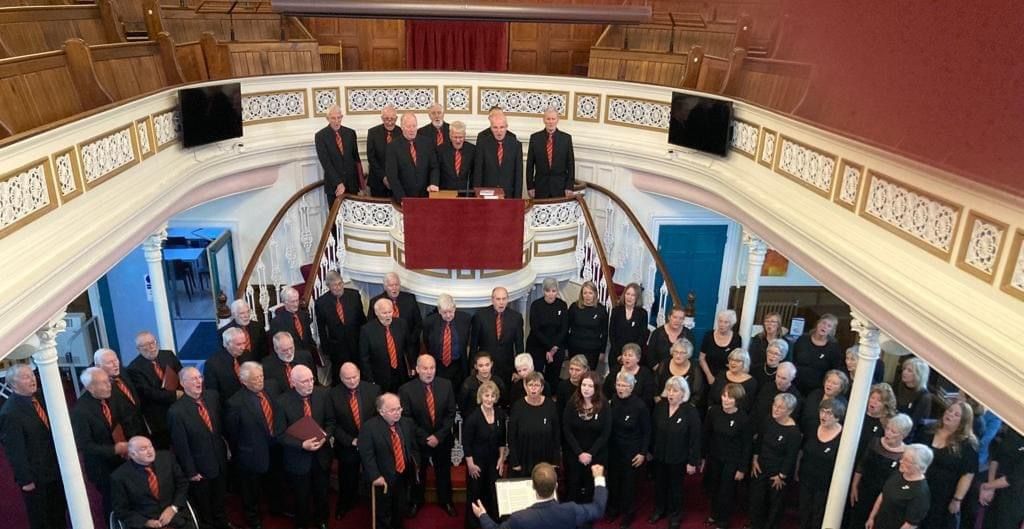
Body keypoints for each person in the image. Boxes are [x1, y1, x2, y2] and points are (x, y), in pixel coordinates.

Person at [71, 366, 144, 517]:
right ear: (90, 387)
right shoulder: (80, 411)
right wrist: (114, 450)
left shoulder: (114, 395)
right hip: (102, 466)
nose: (109, 385)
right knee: (113, 503)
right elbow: (84, 445)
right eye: (103, 383)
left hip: (126, 458)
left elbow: (127, 421)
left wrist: (131, 444)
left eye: (108, 381)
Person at [0, 365, 66, 529]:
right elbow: (15, 452)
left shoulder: (42, 397)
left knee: (59, 513)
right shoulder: (10, 413)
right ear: (13, 385)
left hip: (55, 469)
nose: (32, 379)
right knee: (42, 519)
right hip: (36, 477)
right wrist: (26, 480)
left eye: (32, 375)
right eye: (25, 377)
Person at [167, 366, 229, 529]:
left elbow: (220, 428)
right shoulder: (176, 411)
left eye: (199, 377)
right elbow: (181, 445)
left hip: (219, 459)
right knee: (204, 504)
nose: (198, 382)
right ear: (182, 383)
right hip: (199, 467)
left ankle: (222, 523)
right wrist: (191, 471)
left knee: (220, 498)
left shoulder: (212, 397)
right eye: (193, 379)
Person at [275, 365, 336, 529]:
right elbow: (279, 434)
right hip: (298, 459)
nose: (310, 384)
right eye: (304, 381)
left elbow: (331, 422)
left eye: (311, 379)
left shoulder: (323, 394)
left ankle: (322, 520)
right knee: (301, 496)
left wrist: (325, 437)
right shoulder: (282, 402)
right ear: (293, 382)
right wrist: (302, 444)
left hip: (321, 456)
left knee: (322, 493)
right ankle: (302, 523)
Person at [399, 354, 458, 517]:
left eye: (432, 368)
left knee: (443, 472)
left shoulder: (446, 385)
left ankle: (446, 501)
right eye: (425, 368)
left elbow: (451, 413)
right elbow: (407, 418)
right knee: (419, 473)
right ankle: (416, 502)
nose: (429, 372)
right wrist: (425, 437)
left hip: (442, 438)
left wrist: (438, 436)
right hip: (419, 440)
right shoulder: (406, 390)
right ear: (417, 369)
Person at [224, 362, 282, 529]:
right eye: (255, 379)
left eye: (261, 376)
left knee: (275, 481)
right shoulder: (235, 403)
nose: (260, 381)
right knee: (251, 491)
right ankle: (253, 518)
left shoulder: (272, 387)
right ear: (244, 381)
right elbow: (233, 434)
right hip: (251, 454)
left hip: (276, 446)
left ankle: (276, 509)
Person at [470, 462, 607, 529]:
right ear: (556, 486)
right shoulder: (571, 511)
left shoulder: (519, 518)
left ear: (533, 486)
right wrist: (599, 477)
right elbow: (598, 508)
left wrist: (483, 516)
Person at [358, 393, 420, 529]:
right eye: (392, 410)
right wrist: (375, 476)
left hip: (402, 476)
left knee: (400, 509)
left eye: (399, 409)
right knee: (383, 513)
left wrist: (415, 465)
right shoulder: (369, 428)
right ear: (381, 411)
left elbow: (413, 447)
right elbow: (367, 455)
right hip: (382, 479)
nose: (397, 413)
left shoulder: (406, 423)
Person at [329, 362, 381, 519]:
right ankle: (344, 504)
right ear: (340, 378)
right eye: (347, 378)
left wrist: (367, 439)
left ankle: (375, 506)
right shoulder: (333, 394)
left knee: (372, 474)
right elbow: (332, 423)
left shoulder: (373, 390)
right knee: (347, 478)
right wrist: (351, 441)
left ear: (359, 373)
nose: (352, 381)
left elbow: (379, 418)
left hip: (370, 443)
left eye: (355, 377)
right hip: (347, 444)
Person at [649, 375, 702, 529]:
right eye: (669, 390)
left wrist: (693, 462)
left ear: (683, 393)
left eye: (675, 391)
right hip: (660, 456)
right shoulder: (660, 407)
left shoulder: (690, 411)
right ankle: (660, 510)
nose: (671, 393)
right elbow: (653, 430)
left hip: (679, 458)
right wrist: (650, 451)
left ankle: (675, 515)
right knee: (659, 485)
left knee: (676, 488)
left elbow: (695, 438)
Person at [848, 414, 915, 529]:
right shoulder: (875, 442)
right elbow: (861, 465)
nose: (888, 433)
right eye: (887, 429)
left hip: (884, 498)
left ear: (903, 435)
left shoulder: (906, 454)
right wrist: (854, 486)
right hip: (864, 490)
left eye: (893, 432)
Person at [918, 401, 977, 529]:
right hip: (919, 487)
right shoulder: (928, 430)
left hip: (943, 495)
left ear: (963, 422)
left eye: (956, 414)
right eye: (949, 411)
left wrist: (957, 499)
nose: (950, 415)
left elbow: (968, 474)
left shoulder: (967, 445)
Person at [747, 392, 802, 529]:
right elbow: (759, 441)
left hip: (777, 473)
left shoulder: (793, 432)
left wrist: (781, 475)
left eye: (781, 408)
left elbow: (791, 456)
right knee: (756, 499)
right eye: (775, 405)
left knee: (775, 505)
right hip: (761, 466)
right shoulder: (768, 420)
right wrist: (755, 458)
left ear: (789, 411)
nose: (775, 409)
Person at [110, 436, 190, 529]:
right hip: (146, 524)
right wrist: (146, 522)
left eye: (150, 446)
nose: (150, 451)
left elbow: (183, 484)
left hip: (176, 518)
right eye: (143, 449)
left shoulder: (167, 458)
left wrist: (173, 508)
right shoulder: (119, 477)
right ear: (132, 454)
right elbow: (121, 510)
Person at [703, 383, 753, 529]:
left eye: (730, 398)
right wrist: (702, 457)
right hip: (714, 457)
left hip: (732, 461)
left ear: (737, 400)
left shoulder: (743, 418)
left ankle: (723, 521)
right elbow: (706, 434)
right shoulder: (713, 412)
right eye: (724, 396)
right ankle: (713, 515)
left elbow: (747, 445)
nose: (726, 399)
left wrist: (742, 468)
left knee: (726, 492)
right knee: (713, 488)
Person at [606, 371, 650, 529]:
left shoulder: (639, 406)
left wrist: (642, 453)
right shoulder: (612, 401)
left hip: (631, 452)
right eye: (618, 385)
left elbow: (647, 431)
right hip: (613, 450)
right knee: (613, 481)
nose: (620, 388)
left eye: (624, 386)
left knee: (628, 485)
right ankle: (613, 509)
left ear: (632, 387)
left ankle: (628, 514)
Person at [126, 330, 183, 449]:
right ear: (138, 349)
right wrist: (174, 395)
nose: (151, 347)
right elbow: (148, 393)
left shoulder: (168, 355)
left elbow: (181, 374)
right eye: (145, 346)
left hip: (180, 406)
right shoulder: (134, 368)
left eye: (152, 343)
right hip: (159, 416)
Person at [462, 381, 507, 529]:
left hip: (494, 461)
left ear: (496, 398)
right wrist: (470, 464)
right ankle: (474, 525)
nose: (489, 399)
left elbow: (502, 440)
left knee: (494, 493)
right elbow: (466, 443)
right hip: (477, 463)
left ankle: (493, 524)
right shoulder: (472, 417)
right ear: (481, 396)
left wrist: (501, 459)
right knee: (476, 493)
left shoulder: (500, 414)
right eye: (486, 395)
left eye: (492, 396)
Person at [563, 371, 611, 505]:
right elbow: (567, 429)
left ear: (596, 388)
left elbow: (605, 433)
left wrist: (590, 454)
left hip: (596, 454)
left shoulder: (604, 405)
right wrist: (579, 453)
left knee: (591, 488)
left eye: (590, 386)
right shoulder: (572, 403)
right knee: (573, 486)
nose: (586, 388)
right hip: (574, 453)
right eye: (584, 385)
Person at [797, 398, 845, 529]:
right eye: (822, 411)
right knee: (804, 511)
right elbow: (802, 449)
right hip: (806, 478)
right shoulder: (812, 426)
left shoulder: (843, 436)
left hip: (825, 483)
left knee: (818, 515)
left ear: (837, 417)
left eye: (829, 413)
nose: (823, 416)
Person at [315, 270, 367, 385]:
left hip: (356, 342)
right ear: (328, 286)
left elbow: (362, 319)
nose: (338, 288)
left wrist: (365, 340)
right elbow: (322, 328)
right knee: (340, 375)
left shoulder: (354, 295)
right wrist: (326, 349)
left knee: (359, 371)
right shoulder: (321, 303)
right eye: (334, 285)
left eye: (340, 283)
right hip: (337, 347)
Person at [866, 444, 934, 529]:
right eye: (903, 458)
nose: (901, 462)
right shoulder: (898, 474)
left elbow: (910, 524)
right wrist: (871, 517)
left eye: (906, 460)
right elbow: (883, 495)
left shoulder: (920, 492)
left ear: (919, 466)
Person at [508, 372, 560, 477]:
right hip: (523, 457)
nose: (533, 388)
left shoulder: (550, 406)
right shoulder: (518, 406)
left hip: (545, 458)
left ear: (542, 388)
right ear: (525, 387)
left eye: (536, 385)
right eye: (530, 385)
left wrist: (555, 460)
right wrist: (514, 461)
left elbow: (556, 435)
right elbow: (511, 436)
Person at [470, 287, 524, 385]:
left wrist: (519, 369)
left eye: (504, 299)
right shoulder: (480, 316)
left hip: (507, 367)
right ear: (492, 299)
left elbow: (519, 345)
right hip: (485, 367)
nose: (501, 302)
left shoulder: (516, 317)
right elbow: (473, 345)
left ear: (508, 299)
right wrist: (473, 368)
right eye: (498, 299)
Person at [422, 293, 472, 393]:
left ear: (455, 308)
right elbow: (426, 342)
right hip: (438, 364)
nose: (448, 315)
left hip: (457, 364)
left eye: (451, 311)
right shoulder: (429, 322)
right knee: (440, 391)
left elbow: (469, 341)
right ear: (439, 310)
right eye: (444, 312)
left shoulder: (465, 319)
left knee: (457, 390)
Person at [361, 297, 412, 392]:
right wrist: (370, 379)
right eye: (384, 313)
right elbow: (364, 358)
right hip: (380, 376)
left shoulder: (401, 324)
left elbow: (408, 347)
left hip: (401, 373)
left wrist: (412, 366)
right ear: (376, 313)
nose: (388, 316)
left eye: (390, 312)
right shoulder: (367, 330)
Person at [369, 272, 423, 363]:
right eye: (391, 285)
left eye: (396, 285)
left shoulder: (410, 299)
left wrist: (410, 341)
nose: (394, 288)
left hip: (409, 348)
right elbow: (371, 327)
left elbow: (418, 323)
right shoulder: (375, 302)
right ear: (385, 287)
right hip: (386, 348)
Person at [527, 278, 569, 391]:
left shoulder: (562, 305)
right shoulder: (536, 305)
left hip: (556, 345)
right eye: (548, 291)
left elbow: (564, 328)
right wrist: (549, 347)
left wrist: (554, 348)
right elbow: (535, 329)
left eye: (554, 291)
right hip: (538, 344)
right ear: (543, 291)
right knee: (537, 375)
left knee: (553, 376)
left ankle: (551, 397)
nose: (551, 294)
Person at [315, 103, 362, 202]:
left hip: (352, 185)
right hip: (334, 188)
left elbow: (356, 159)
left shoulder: (350, 133)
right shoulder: (320, 136)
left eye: (339, 118)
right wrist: (339, 183)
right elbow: (326, 163)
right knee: (336, 216)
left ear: (342, 117)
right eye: (333, 118)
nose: (337, 121)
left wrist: (361, 183)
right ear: (327, 118)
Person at [979, 426, 1024, 529]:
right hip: (996, 489)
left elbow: (1014, 478)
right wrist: (991, 486)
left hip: (1014, 498)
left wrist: (987, 486)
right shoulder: (1013, 431)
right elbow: (996, 458)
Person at [386, 112, 439, 199]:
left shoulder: (427, 143)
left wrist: (433, 183)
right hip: (404, 197)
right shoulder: (393, 147)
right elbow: (392, 177)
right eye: (408, 126)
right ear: (402, 127)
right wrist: (402, 198)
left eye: (414, 126)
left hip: (426, 195)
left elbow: (434, 167)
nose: (412, 129)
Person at [526, 107, 575, 198]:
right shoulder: (535, 138)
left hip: (560, 188)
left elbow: (570, 164)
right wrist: (530, 187)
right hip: (540, 188)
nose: (551, 122)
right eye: (548, 119)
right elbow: (530, 165)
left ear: (557, 120)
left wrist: (569, 187)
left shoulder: (566, 139)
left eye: (553, 119)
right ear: (544, 120)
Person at [473, 109, 523, 198]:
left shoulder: (516, 145)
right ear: (491, 128)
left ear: (506, 127)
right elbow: (478, 172)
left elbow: (518, 175)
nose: (499, 131)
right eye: (495, 127)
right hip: (487, 193)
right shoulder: (483, 144)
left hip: (508, 194)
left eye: (502, 127)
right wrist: (477, 194)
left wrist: (517, 199)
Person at [95, 348, 145, 434]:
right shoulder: (99, 388)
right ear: (98, 366)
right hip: (123, 434)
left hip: (140, 426)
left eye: (116, 360)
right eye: (110, 362)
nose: (115, 364)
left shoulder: (123, 372)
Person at [791, 314, 844, 395]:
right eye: (823, 323)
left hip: (816, 390)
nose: (824, 326)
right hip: (795, 385)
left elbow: (834, 370)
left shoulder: (833, 348)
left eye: (829, 326)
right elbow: (793, 359)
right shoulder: (803, 339)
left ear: (832, 331)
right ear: (817, 324)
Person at [270, 287, 320, 367]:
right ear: (284, 302)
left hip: (308, 357)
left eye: (297, 300)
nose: (296, 304)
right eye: (292, 301)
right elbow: (277, 346)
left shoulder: (304, 315)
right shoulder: (277, 322)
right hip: (292, 359)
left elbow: (308, 337)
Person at [204, 327, 252, 407]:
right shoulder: (213, 364)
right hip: (229, 406)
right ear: (226, 344)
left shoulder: (246, 354)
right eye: (238, 344)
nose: (243, 347)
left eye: (244, 343)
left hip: (249, 402)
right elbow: (213, 394)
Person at [566, 281, 609, 371]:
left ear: (595, 294)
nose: (587, 296)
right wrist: (565, 347)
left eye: (590, 293)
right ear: (581, 294)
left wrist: (602, 351)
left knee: (589, 375)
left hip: (593, 350)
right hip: (575, 348)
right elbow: (566, 327)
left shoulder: (601, 310)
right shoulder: (574, 307)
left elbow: (604, 332)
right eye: (585, 293)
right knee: (575, 373)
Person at [751, 361, 802, 436]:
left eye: (784, 378)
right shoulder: (767, 386)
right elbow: (756, 407)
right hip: (757, 427)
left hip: (774, 433)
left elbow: (789, 419)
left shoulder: (795, 397)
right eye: (778, 376)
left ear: (792, 378)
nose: (779, 381)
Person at [608, 283, 649, 371]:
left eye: (633, 295)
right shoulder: (616, 311)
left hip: (634, 357)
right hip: (616, 355)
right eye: (628, 294)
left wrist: (629, 356)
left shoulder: (642, 314)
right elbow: (612, 333)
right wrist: (620, 355)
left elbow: (643, 336)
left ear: (637, 297)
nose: (629, 297)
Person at [654, 338, 704, 409]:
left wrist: (690, 406)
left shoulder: (695, 368)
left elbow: (698, 393)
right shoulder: (664, 364)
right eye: (676, 352)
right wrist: (657, 399)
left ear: (688, 354)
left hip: (686, 407)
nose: (678, 355)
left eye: (682, 353)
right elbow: (655, 384)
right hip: (664, 404)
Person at [262, 331, 316, 397]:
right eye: (285, 350)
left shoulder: (305, 357)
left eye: (291, 348)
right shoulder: (267, 365)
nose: (289, 352)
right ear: (276, 349)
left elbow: (315, 381)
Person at [604, 342, 656, 408]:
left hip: (637, 409)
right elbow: (605, 391)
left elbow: (648, 398)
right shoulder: (615, 370)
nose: (627, 358)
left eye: (630, 355)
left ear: (638, 359)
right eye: (625, 355)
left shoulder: (645, 373)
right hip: (615, 407)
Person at [800, 369, 849, 437]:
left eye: (834, 383)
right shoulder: (815, 394)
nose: (829, 384)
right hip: (805, 432)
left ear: (841, 388)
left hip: (824, 436)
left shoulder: (841, 404)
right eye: (828, 381)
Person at [707, 348, 758, 412]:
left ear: (745, 363)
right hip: (716, 412)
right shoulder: (721, 375)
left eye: (737, 361)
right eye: (731, 359)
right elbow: (711, 396)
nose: (733, 363)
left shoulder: (751, 382)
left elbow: (747, 406)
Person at [699, 309, 742, 387]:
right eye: (720, 321)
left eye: (726, 322)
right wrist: (709, 376)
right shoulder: (708, 335)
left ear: (731, 324)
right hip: (707, 374)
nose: (722, 324)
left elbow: (737, 360)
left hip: (726, 377)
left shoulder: (736, 338)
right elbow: (702, 358)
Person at [429, 120, 475, 192]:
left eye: (461, 137)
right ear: (450, 135)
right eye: (455, 137)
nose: (458, 140)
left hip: (466, 192)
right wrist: (434, 184)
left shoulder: (472, 150)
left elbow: (475, 172)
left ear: (465, 135)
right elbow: (436, 169)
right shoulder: (440, 150)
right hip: (445, 191)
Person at [857, 383, 898, 459]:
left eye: (879, 400)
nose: (874, 402)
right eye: (872, 398)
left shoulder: (886, 424)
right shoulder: (858, 416)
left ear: (886, 405)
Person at [460, 352, 507, 417]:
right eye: (481, 366)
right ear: (476, 366)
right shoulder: (468, 383)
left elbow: (503, 402)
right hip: (473, 419)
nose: (484, 369)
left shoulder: (498, 382)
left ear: (492, 364)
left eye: (487, 365)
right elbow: (462, 405)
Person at [896, 357, 933, 438]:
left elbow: (914, 424)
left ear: (918, 375)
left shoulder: (924, 397)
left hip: (908, 435)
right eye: (905, 369)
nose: (904, 372)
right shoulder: (900, 385)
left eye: (909, 371)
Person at [366, 105, 399, 197]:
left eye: (392, 119)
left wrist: (393, 178)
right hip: (377, 181)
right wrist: (383, 177)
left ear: (396, 118)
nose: (389, 122)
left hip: (397, 182)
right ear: (382, 118)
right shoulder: (373, 133)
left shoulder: (401, 132)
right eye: (386, 118)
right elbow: (371, 158)